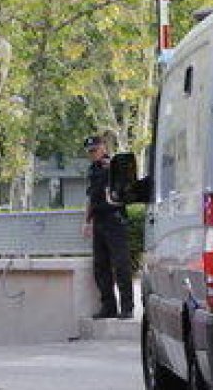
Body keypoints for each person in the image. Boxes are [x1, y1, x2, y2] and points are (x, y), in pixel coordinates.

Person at [82, 134, 133, 319]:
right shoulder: (92, 170)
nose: (93, 154)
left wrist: (113, 168)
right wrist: (86, 221)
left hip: (115, 219)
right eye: (90, 152)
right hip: (99, 221)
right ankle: (108, 306)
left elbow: (128, 186)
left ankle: (127, 307)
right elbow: (90, 197)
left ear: (103, 147)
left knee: (120, 264)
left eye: (95, 150)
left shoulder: (115, 165)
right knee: (100, 266)